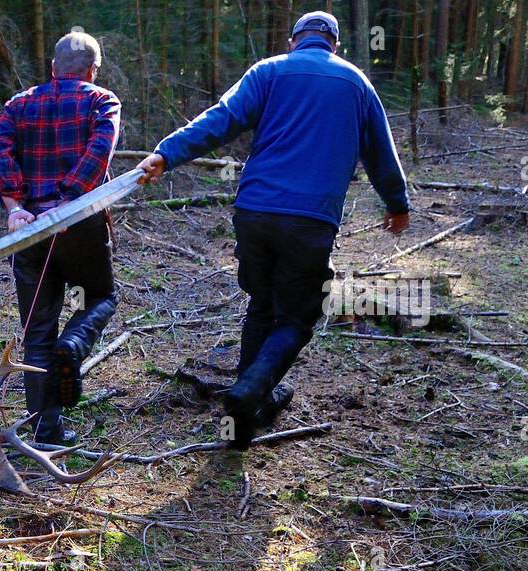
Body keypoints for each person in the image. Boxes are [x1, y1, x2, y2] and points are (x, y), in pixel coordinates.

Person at [137, 10, 410, 447]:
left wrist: (167, 154)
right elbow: (381, 149)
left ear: (294, 40)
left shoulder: (268, 71)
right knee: (299, 316)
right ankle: (250, 389)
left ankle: (242, 425)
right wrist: (397, 204)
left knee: (262, 305)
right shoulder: (356, 82)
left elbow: (220, 119)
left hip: (254, 212)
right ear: (334, 44)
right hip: (310, 219)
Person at [0, 31, 121, 446]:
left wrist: (17, 208)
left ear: (52, 68)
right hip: (79, 222)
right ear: (93, 69)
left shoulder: (19, 103)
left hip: (28, 229)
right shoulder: (102, 101)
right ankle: (74, 345)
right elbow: (100, 154)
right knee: (100, 298)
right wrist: (66, 202)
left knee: (38, 330)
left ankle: (44, 433)